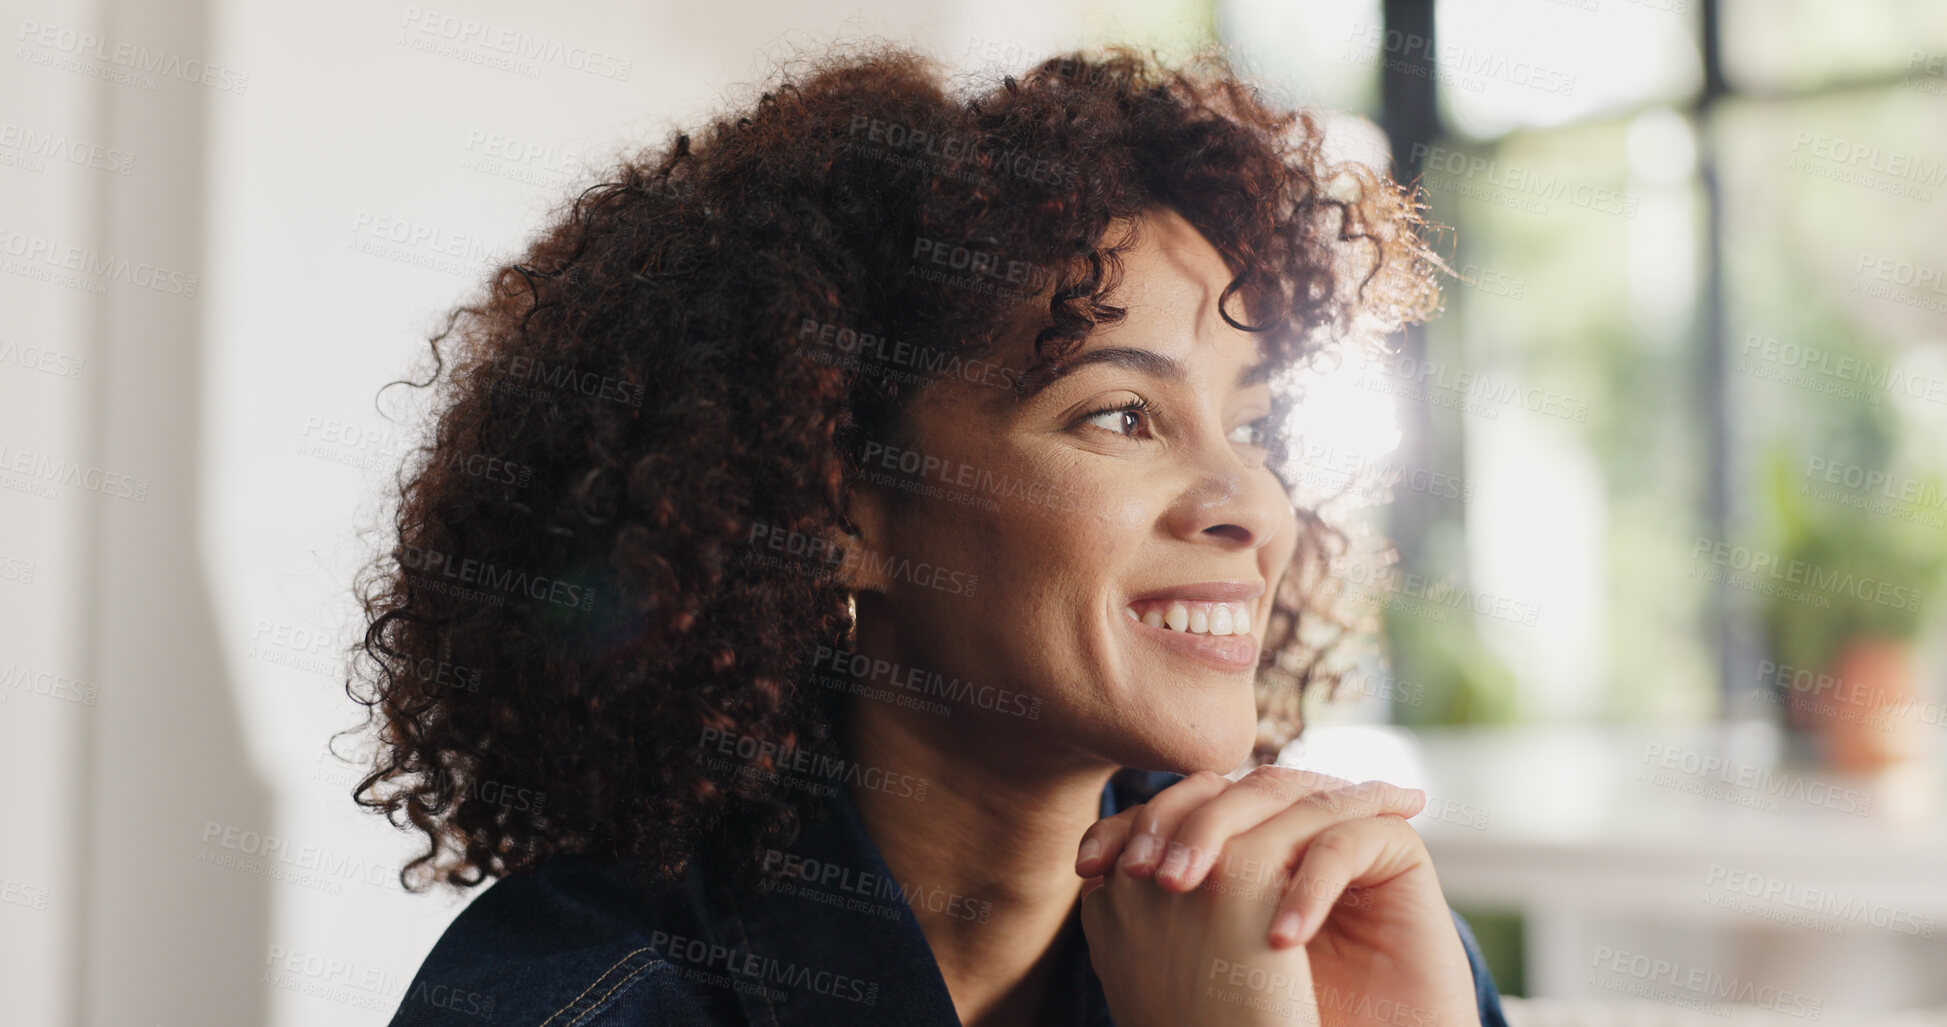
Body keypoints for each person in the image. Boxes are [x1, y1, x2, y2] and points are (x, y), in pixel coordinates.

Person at [349, 38, 1508, 1027]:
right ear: (840, 505)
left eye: (1250, 426)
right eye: (1122, 414)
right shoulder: (584, 1000)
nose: (1251, 506)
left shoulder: (1332, 938)